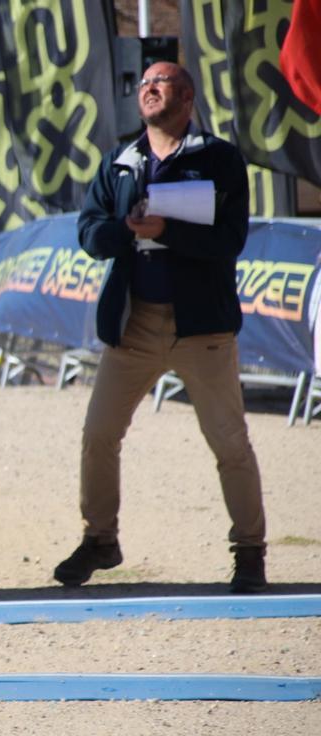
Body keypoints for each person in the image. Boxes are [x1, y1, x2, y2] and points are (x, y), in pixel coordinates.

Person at [54, 61, 268, 594]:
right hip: (135, 324)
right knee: (98, 435)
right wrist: (127, 232)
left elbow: (230, 239)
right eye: (144, 82)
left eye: (162, 81)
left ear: (187, 96)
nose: (149, 88)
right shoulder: (120, 162)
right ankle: (100, 541)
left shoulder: (219, 159)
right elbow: (89, 231)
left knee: (230, 443)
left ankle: (249, 552)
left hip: (203, 328)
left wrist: (169, 231)